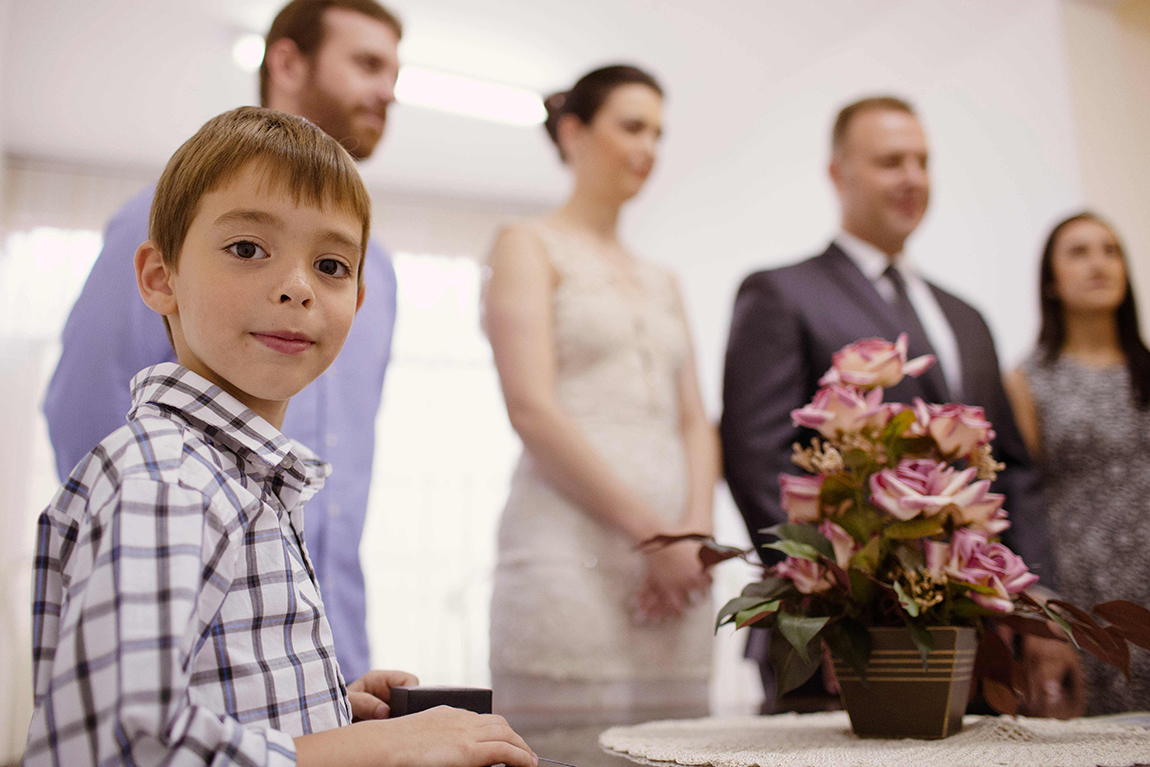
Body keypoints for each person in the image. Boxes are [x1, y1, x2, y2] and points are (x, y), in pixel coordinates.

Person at [23, 107, 537, 767]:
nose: (297, 287)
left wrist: (327, 708)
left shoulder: (243, 478)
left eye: (330, 264)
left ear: (356, 301)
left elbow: (205, 700)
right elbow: (125, 744)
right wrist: (375, 747)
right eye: (247, 249)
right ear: (160, 277)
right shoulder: (164, 479)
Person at [42, 0, 401, 681]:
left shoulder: (375, 268)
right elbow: (81, 414)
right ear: (289, 63)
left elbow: (347, 479)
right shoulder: (158, 225)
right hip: (180, 648)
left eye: (330, 267)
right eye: (366, 63)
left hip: (316, 645)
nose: (388, 89)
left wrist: (328, 694)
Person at [720, 95, 1079, 716]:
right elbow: (759, 460)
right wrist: (834, 601)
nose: (912, 176)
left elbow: (1011, 469)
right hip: (840, 641)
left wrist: (1035, 601)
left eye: (922, 160)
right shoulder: (781, 292)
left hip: (974, 640)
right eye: (891, 161)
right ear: (838, 173)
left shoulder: (966, 316)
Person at [483, 65, 719, 727]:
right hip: (568, 554)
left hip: (678, 571)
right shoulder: (526, 244)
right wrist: (654, 536)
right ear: (574, 131)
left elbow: (696, 420)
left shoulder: (663, 278)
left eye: (658, 133)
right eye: (632, 125)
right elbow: (530, 406)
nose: (648, 147)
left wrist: (693, 535)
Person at [1004, 212, 1150, 714]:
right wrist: (1043, 611)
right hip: (1083, 592)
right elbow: (1020, 501)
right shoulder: (1028, 380)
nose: (1099, 264)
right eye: (1079, 252)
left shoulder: (1148, 372)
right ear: (1051, 280)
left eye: (1110, 251)